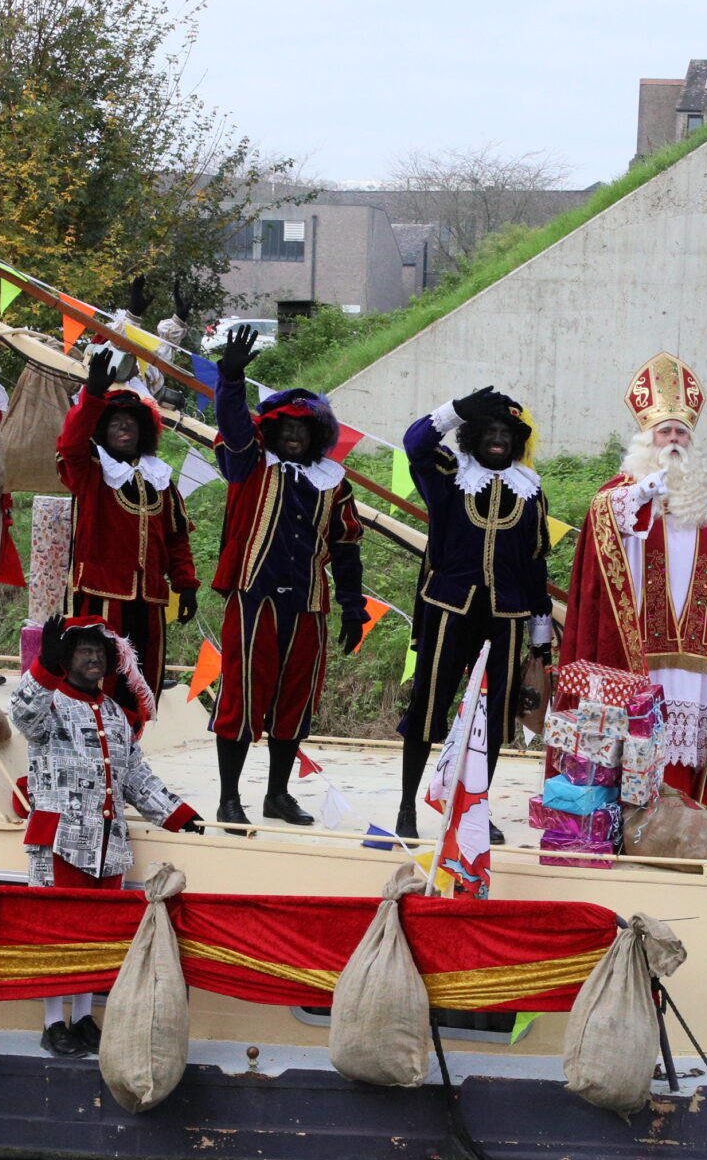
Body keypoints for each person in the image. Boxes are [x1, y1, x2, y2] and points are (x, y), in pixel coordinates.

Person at [550, 352, 707, 800]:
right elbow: (603, 524)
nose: (673, 440)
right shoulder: (622, 495)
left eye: (681, 432)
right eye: (665, 431)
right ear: (646, 440)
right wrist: (641, 493)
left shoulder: (705, 504)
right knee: (640, 717)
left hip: (698, 646)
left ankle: (692, 800)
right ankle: (629, 804)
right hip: (638, 645)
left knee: (689, 717)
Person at [8, 615, 205, 1057]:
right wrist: (44, 664)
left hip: (109, 844)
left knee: (96, 937)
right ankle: (52, 1023)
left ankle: (82, 1018)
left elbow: (135, 776)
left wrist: (177, 814)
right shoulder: (49, 703)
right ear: (67, 657)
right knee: (58, 935)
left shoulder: (115, 714)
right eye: (83, 650)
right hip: (60, 839)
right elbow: (21, 712)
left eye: (100, 651)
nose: (94, 657)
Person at [207, 322, 366, 827]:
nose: (294, 434)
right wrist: (230, 382)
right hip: (255, 597)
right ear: (272, 431)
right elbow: (234, 425)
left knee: (295, 700)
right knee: (243, 693)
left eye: (304, 428)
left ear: (317, 435)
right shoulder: (250, 464)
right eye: (285, 428)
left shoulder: (332, 484)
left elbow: (346, 551)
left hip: (309, 604)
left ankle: (277, 795)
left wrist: (353, 606)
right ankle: (229, 797)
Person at [394, 385, 550, 840]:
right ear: (475, 436)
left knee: (494, 716)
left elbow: (535, 565)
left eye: (506, 432)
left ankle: (474, 810)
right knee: (429, 705)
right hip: (448, 610)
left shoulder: (531, 492)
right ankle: (407, 806)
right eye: (490, 429)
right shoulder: (448, 473)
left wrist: (541, 636)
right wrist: (457, 411)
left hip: (505, 620)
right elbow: (415, 443)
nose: (498, 438)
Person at [59, 347, 199, 706]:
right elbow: (71, 443)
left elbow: (176, 537)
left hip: (149, 597)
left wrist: (185, 585)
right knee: (97, 680)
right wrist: (91, 396)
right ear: (102, 430)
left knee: (142, 681)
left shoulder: (160, 476)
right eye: (116, 422)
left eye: (132, 422)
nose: (125, 427)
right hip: (101, 593)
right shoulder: (91, 468)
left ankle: (133, 744)